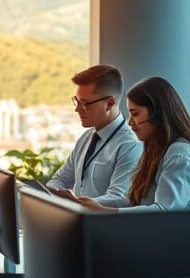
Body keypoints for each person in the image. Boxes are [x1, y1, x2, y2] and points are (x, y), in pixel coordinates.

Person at [79, 76, 190, 212]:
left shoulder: (178, 154)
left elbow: (163, 212)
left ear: (157, 114)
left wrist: (106, 211)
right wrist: (87, 203)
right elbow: (136, 200)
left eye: (135, 114)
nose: (129, 122)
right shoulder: (156, 150)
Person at [46, 64, 142, 207]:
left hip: (103, 225)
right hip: (78, 221)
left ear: (109, 103)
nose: (77, 109)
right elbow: (60, 179)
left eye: (85, 104)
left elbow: (119, 198)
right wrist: (51, 192)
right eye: (76, 101)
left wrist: (76, 203)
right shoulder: (86, 137)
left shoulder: (130, 145)